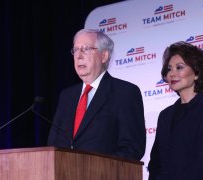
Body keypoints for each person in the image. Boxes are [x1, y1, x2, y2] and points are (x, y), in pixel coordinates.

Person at [47, 29, 146, 161]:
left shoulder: (125, 93)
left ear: (104, 56)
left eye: (85, 49)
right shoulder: (66, 96)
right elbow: (53, 143)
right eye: (75, 50)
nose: (78, 55)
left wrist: (97, 170)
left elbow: (132, 148)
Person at [148, 41, 203, 180]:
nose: (172, 74)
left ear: (196, 73)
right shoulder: (165, 115)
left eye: (179, 67)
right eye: (169, 69)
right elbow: (155, 163)